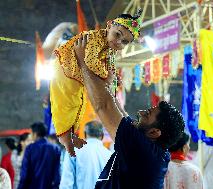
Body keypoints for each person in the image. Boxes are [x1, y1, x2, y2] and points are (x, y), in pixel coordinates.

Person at [73, 34, 185, 189]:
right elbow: (122, 115)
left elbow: (103, 106)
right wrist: (107, 88)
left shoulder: (142, 149)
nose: (140, 112)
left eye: (146, 115)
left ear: (154, 132)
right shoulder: (155, 149)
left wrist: (83, 63)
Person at [50, 8, 142, 157]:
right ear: (109, 25)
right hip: (64, 67)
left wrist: (113, 79)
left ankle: (70, 136)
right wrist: (107, 77)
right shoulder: (94, 38)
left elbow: (110, 69)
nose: (118, 42)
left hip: (76, 74)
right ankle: (66, 139)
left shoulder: (110, 50)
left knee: (78, 104)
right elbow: (90, 61)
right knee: (65, 105)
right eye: (117, 34)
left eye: (124, 42)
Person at [60, 121, 111, 189]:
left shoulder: (74, 151)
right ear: (102, 135)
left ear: (85, 134)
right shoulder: (110, 155)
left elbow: (66, 182)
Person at [18, 122, 61, 189]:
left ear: (35, 134)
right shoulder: (55, 149)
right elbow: (57, 174)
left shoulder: (30, 149)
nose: (31, 135)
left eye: (31, 133)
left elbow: (25, 174)